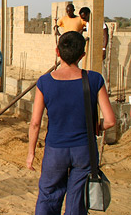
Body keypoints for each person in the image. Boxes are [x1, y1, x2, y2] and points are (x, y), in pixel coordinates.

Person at [26, 31, 115, 215]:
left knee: (49, 195)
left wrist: (31, 153)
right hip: (84, 151)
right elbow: (111, 121)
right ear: (82, 55)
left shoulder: (45, 82)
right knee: (77, 201)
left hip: (55, 151)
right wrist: (95, 127)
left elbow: (35, 123)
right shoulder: (94, 79)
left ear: (57, 52)